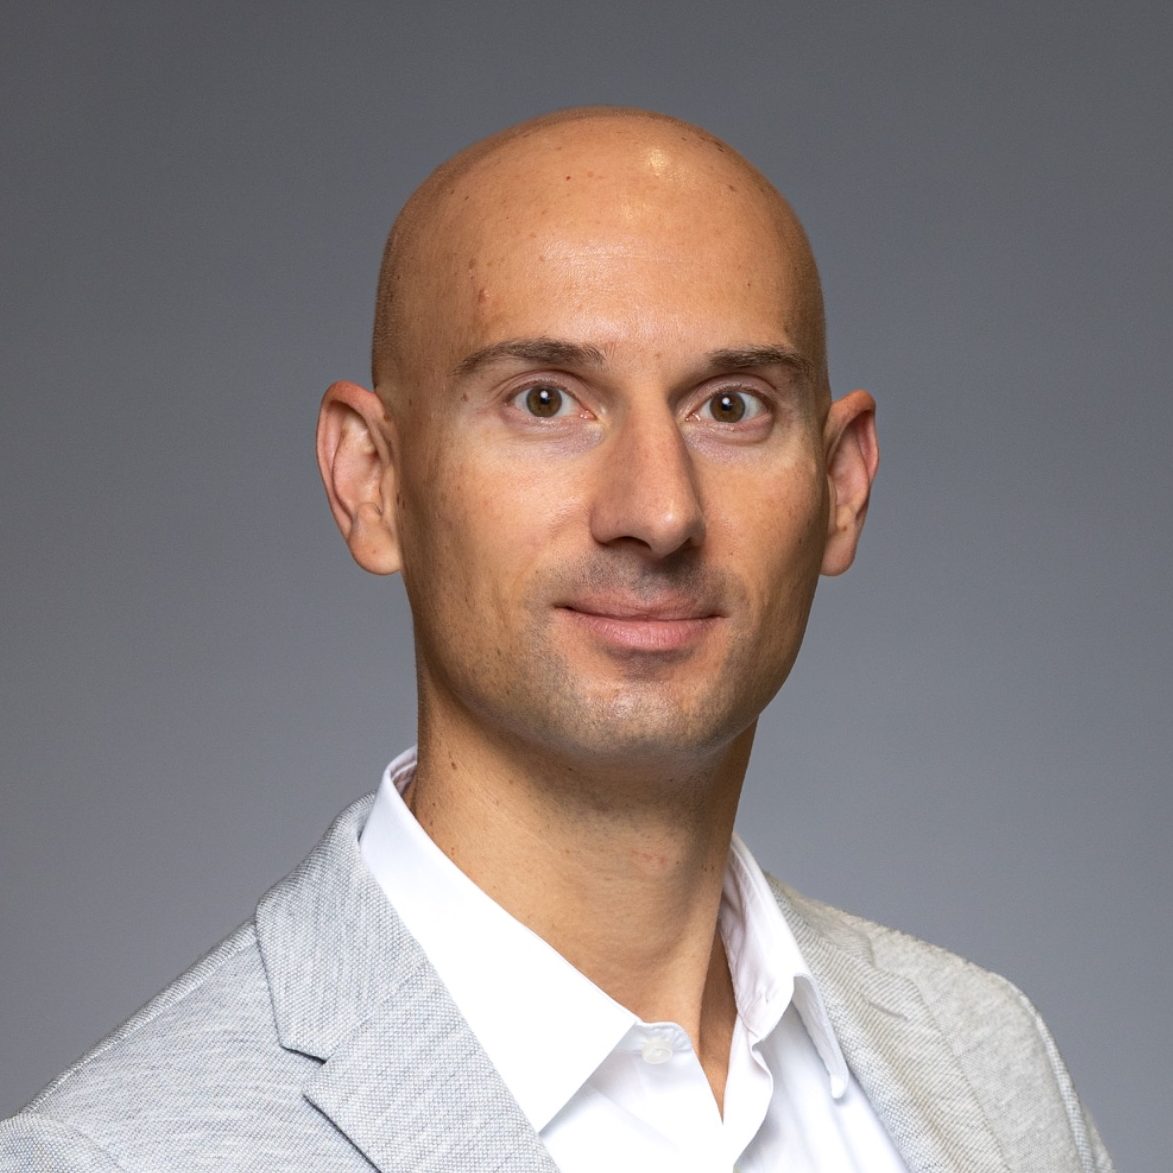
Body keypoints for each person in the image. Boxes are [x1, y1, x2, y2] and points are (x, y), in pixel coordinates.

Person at [1, 107, 1112, 1172]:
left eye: (730, 406)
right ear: (372, 480)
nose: (658, 510)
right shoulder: (111, 1158)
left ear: (841, 484)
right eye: (544, 401)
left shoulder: (988, 1063)